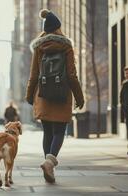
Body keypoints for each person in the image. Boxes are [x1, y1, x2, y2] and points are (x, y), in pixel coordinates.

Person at [25, 9, 84, 183]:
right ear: (58, 28)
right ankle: (49, 164)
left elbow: (34, 75)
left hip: (42, 96)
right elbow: (72, 76)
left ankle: (48, 165)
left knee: (48, 132)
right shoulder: (66, 46)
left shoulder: (39, 47)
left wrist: (29, 96)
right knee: (60, 131)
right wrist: (79, 98)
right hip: (62, 95)